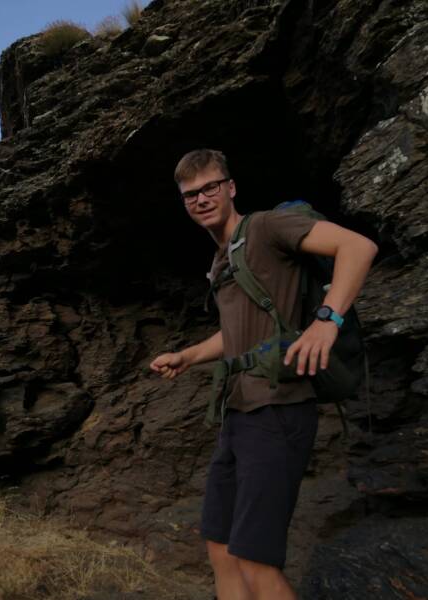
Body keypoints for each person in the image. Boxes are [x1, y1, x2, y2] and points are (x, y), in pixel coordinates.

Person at [149, 149, 378, 600]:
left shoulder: (267, 227)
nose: (201, 199)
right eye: (191, 194)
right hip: (237, 413)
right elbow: (237, 333)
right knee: (221, 548)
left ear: (231, 187)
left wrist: (326, 321)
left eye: (210, 187)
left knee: (256, 559)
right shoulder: (222, 259)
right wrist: (188, 355)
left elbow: (358, 247)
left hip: (278, 410)